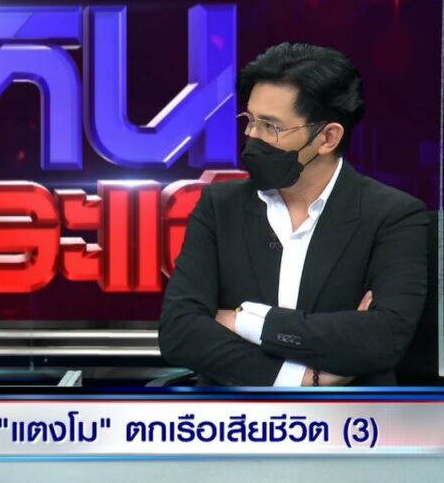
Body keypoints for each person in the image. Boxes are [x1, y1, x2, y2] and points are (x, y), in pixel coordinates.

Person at [159, 42, 428, 387]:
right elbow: (180, 332)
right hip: (233, 415)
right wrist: (301, 379)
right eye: (250, 120)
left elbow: (382, 339)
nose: (252, 136)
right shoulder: (219, 206)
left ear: (327, 138)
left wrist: (246, 321)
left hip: (350, 417)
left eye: (271, 127)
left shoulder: (393, 216)